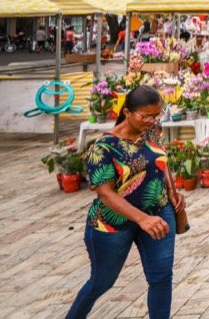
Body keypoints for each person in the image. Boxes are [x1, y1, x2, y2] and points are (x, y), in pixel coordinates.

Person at [67, 86, 183, 319]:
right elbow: (106, 194)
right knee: (102, 281)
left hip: (158, 212)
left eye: (157, 115)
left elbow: (161, 159)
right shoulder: (102, 148)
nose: (152, 120)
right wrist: (142, 219)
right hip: (113, 223)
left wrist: (171, 189)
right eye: (146, 116)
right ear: (127, 112)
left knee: (161, 278)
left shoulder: (151, 131)